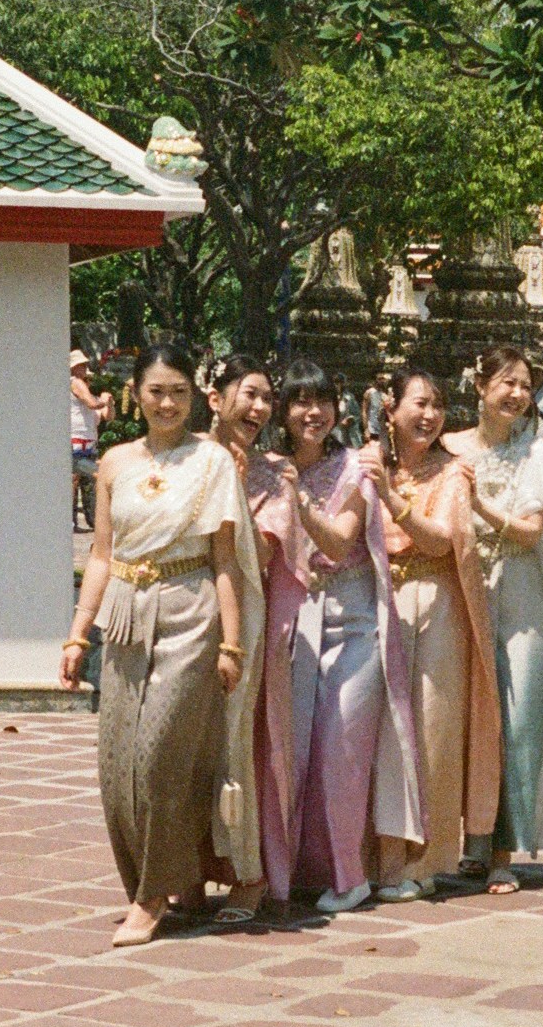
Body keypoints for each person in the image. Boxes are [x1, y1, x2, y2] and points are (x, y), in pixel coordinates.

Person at [61, 342, 262, 947]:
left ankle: (152, 898)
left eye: (178, 392)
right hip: (125, 613)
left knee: (160, 758)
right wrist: (78, 634)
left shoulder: (212, 461)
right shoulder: (114, 462)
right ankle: (157, 883)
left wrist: (231, 645)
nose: (167, 404)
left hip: (191, 612)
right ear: (135, 395)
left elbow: (225, 559)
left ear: (194, 396)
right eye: (155, 392)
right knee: (118, 763)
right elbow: (102, 555)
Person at [253, 360, 420, 916]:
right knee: (287, 748)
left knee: (341, 749)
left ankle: (351, 876)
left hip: (355, 621)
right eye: (300, 401)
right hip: (293, 618)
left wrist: (299, 502)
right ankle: (292, 870)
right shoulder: (266, 469)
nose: (313, 412)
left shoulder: (356, 467)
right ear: (283, 410)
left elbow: (340, 541)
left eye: (322, 401)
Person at [450, 346, 543, 891]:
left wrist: (480, 506)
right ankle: (470, 839)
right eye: (506, 382)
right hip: (463, 593)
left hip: (522, 600)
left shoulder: (538, 456)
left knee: (518, 720)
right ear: (480, 385)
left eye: (524, 385)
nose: (516, 394)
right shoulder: (451, 449)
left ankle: (502, 851)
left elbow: (532, 532)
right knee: (464, 717)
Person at [361, 366, 497, 899]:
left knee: (431, 729)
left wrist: (392, 501)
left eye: (437, 404)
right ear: (390, 410)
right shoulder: (369, 463)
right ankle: (372, 857)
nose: (429, 414)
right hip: (376, 600)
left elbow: (442, 541)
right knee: (374, 731)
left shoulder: (453, 472)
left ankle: (425, 860)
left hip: (435, 602)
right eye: (418, 403)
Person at [201, 357, 281, 922]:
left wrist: (239, 485)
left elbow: (266, 554)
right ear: (215, 399)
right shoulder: (186, 458)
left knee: (232, 744)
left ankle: (246, 872)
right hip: (183, 608)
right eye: (249, 394)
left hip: (242, 615)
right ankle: (186, 868)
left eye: (266, 398)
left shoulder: (272, 473)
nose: (258, 407)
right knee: (183, 744)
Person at [70, 350, 112, 532]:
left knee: (90, 481)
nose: (84, 370)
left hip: (88, 443)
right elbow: (94, 404)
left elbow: (107, 416)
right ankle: (70, 521)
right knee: (74, 481)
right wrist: (103, 400)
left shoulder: (89, 394)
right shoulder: (75, 382)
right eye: (81, 366)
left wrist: (109, 403)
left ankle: (92, 519)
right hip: (76, 440)